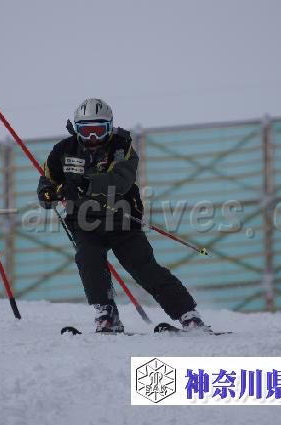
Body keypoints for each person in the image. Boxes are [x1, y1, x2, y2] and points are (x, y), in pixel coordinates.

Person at [37, 98, 207, 333]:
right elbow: (47, 184)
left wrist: (86, 184)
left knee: (143, 267)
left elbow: (121, 180)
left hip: (122, 219)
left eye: (99, 130)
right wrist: (49, 193)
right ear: (76, 129)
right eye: (86, 130)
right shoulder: (63, 151)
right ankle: (106, 313)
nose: (93, 137)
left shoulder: (121, 148)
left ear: (110, 127)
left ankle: (188, 314)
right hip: (84, 222)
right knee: (89, 260)